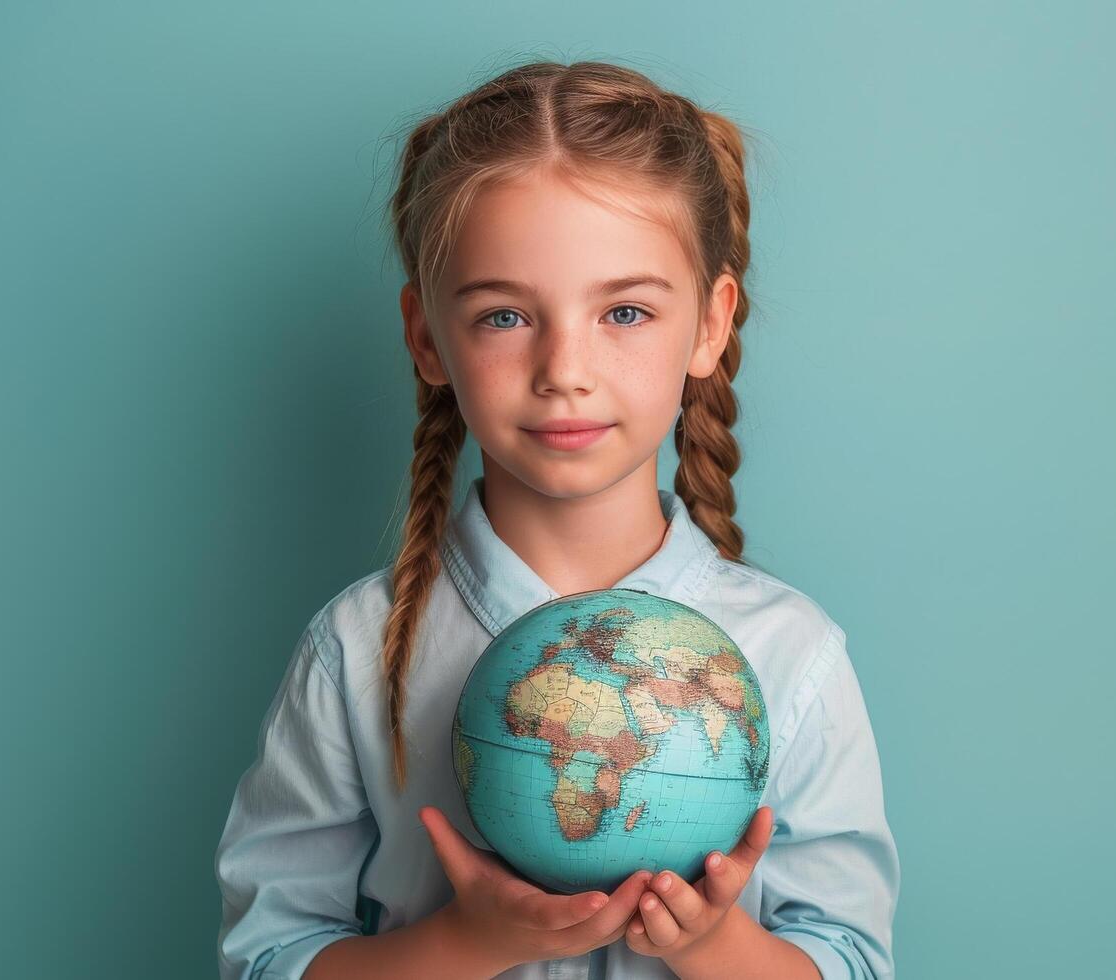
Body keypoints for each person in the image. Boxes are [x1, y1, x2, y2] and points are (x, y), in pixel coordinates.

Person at [214, 59, 900, 980]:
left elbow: (853, 958)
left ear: (709, 323)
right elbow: (268, 956)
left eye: (624, 310)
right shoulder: (357, 653)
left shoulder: (792, 657)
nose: (563, 368)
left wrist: (716, 947)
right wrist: (467, 942)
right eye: (504, 316)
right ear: (427, 338)